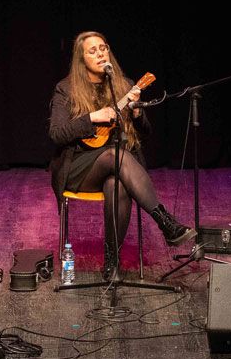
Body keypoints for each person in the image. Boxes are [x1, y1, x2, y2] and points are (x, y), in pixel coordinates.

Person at [48, 31, 196, 280]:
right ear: (81, 59)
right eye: (92, 50)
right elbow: (56, 134)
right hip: (78, 168)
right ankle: (164, 221)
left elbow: (146, 134)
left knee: (117, 184)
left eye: (103, 48)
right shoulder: (66, 89)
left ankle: (112, 264)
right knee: (115, 155)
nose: (100, 53)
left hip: (115, 168)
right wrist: (92, 118)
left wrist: (137, 114)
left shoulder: (123, 85)